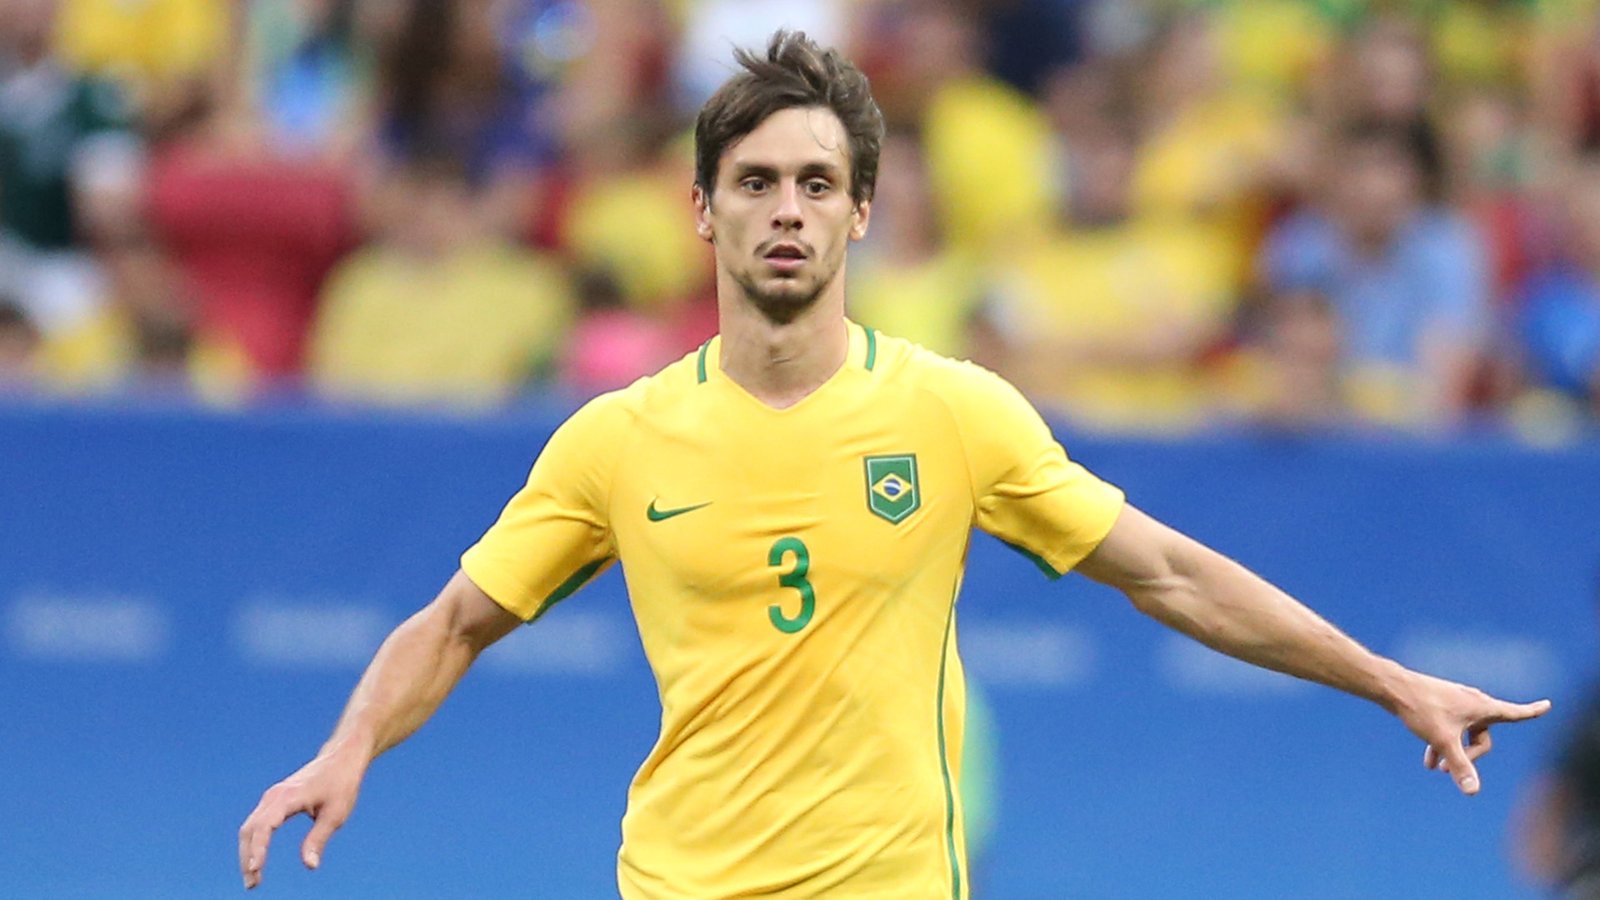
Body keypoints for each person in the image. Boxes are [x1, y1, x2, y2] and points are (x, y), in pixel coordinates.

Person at [239, 31, 1551, 898]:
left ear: (862, 209)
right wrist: (350, 747)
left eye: (818, 183)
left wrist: (1389, 682)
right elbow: (454, 623)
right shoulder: (615, 439)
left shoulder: (952, 413)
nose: (788, 210)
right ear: (701, 209)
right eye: (756, 182)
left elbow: (1168, 573)